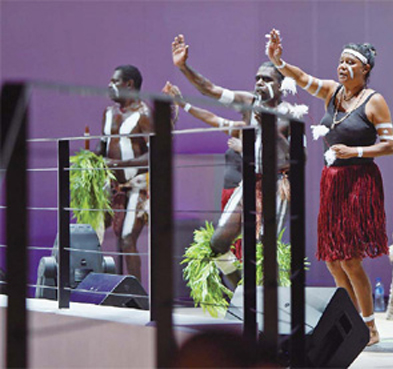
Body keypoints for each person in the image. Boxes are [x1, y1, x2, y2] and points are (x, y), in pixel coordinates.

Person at [265, 29, 393, 346]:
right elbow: (301, 76)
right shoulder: (332, 93)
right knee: (333, 259)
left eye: (351, 62)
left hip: (358, 182)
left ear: (365, 69)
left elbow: (390, 145)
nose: (343, 66)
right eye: (341, 61)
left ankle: (371, 328)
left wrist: (357, 152)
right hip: (332, 182)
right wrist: (277, 59)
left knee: (350, 258)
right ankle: (352, 323)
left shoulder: (374, 101)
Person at [171, 34, 307, 287]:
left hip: (277, 185)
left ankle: (270, 310)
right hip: (249, 183)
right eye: (257, 77)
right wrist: (183, 67)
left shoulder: (290, 115)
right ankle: (242, 296)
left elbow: (302, 158)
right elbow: (210, 90)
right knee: (218, 244)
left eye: (267, 79)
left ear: (280, 86)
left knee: (264, 250)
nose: (259, 82)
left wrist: (273, 130)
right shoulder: (248, 103)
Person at [162, 81, 244, 258]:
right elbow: (211, 118)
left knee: (239, 244)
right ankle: (237, 284)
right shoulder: (241, 128)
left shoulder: (272, 132)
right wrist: (183, 104)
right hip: (228, 195)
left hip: (245, 198)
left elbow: (274, 161)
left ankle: (249, 283)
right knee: (223, 248)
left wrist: (244, 148)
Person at [98, 64, 152, 283]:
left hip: (136, 186)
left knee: (128, 238)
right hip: (111, 186)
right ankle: (95, 287)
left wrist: (120, 163)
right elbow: (102, 148)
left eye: (114, 82)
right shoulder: (108, 113)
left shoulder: (144, 115)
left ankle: (137, 300)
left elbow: (156, 154)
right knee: (93, 233)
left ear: (129, 84)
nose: (110, 86)